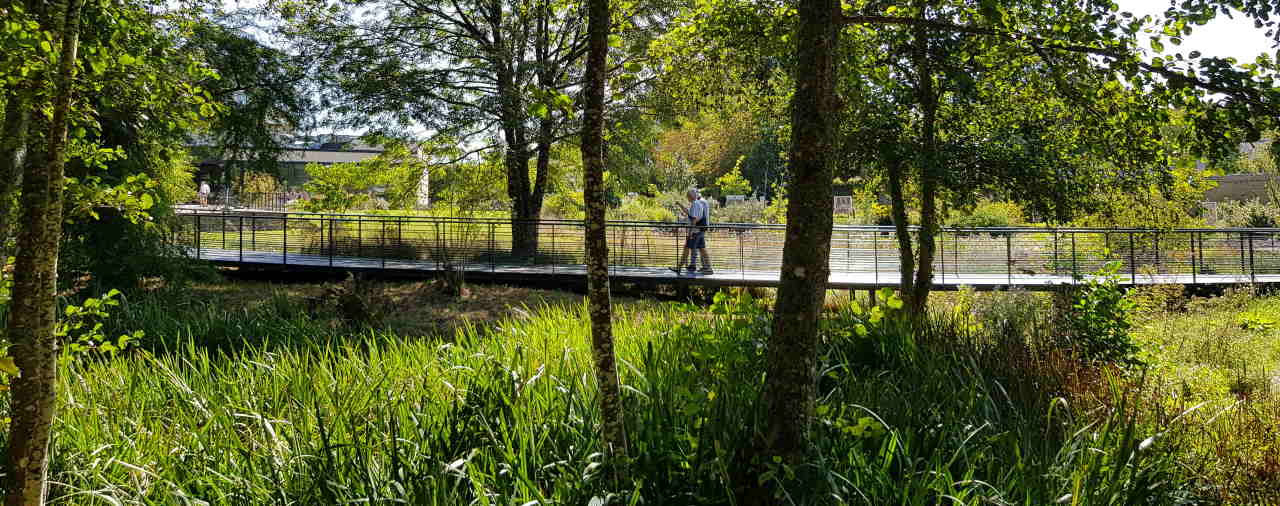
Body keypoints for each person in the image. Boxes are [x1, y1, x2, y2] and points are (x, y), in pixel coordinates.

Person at [670, 188, 714, 274]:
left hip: (695, 232)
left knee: (687, 248)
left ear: (690, 196)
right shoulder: (696, 204)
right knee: (702, 249)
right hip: (699, 231)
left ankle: (679, 268)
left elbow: (694, 220)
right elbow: (689, 213)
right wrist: (680, 205)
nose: (687, 198)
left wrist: (690, 233)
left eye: (687, 197)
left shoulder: (695, 205)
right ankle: (709, 268)